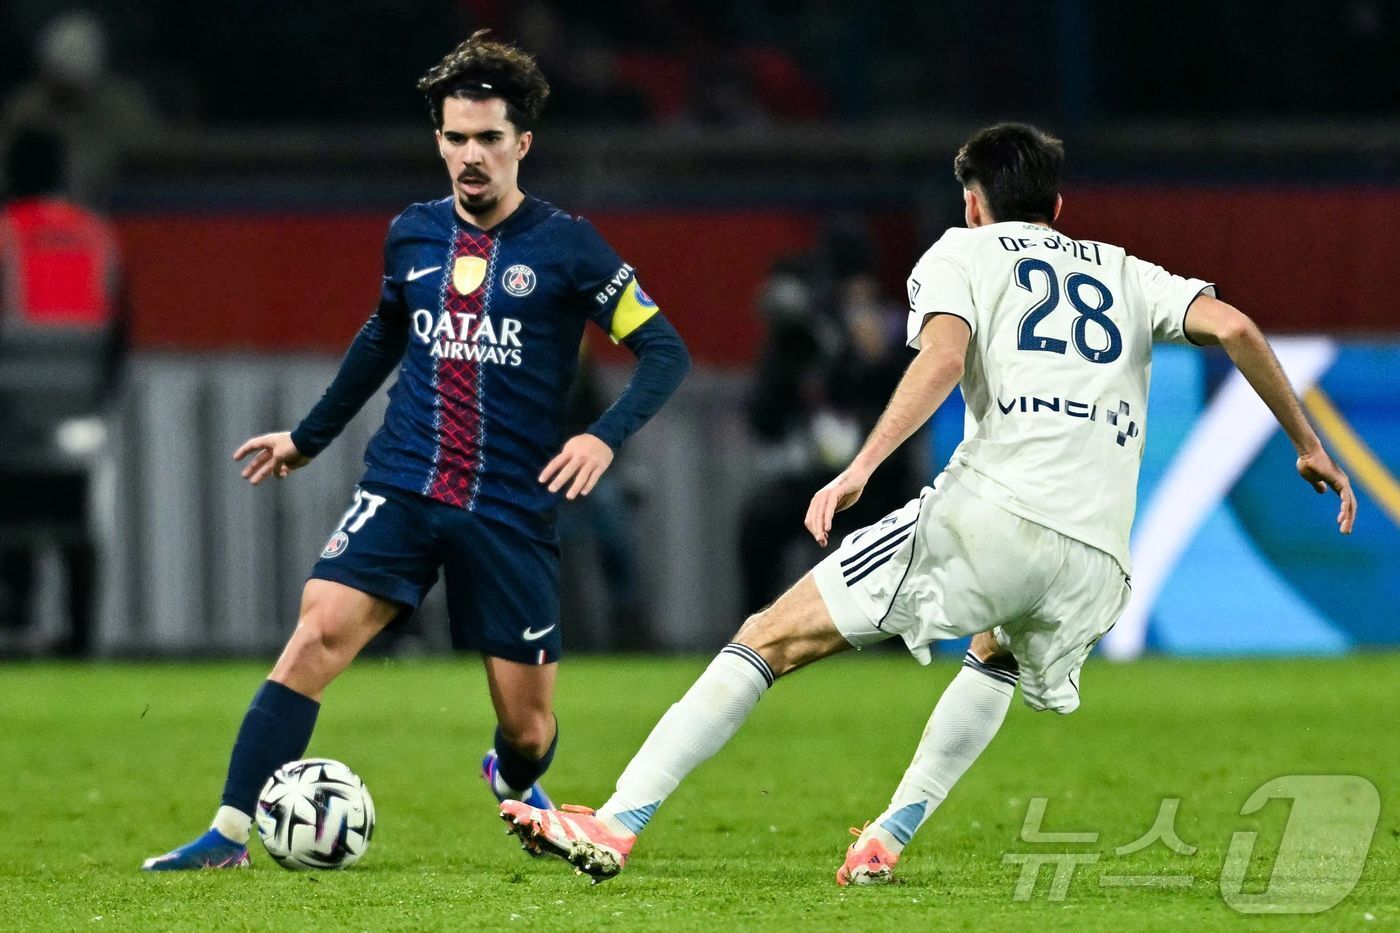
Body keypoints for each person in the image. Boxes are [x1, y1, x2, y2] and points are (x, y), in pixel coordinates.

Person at [498, 122, 1357, 884]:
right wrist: (1309, 443)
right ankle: (889, 835)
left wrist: (860, 467)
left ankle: (616, 820)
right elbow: (1240, 328)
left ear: (974, 205)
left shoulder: (963, 251)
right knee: (996, 651)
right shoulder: (1128, 272)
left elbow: (943, 358)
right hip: (1098, 557)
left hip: (993, 516)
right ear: (1056, 206)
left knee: (769, 635)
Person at [141, 31, 691, 871]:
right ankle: (226, 834)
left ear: (523, 144)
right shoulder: (412, 235)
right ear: (439, 138)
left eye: (489, 139)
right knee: (316, 630)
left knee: (528, 725)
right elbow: (382, 335)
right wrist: (308, 436)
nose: (471, 156)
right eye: (456, 137)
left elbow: (665, 350)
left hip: (508, 501)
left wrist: (600, 435)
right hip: (405, 480)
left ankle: (511, 775)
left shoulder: (570, 247)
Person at [0, 128, 125, 657]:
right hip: (81, 433)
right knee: (79, 526)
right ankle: (80, 637)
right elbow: (120, 340)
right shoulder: (99, 237)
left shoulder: (5, 234)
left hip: (10, 435)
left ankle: (18, 615)